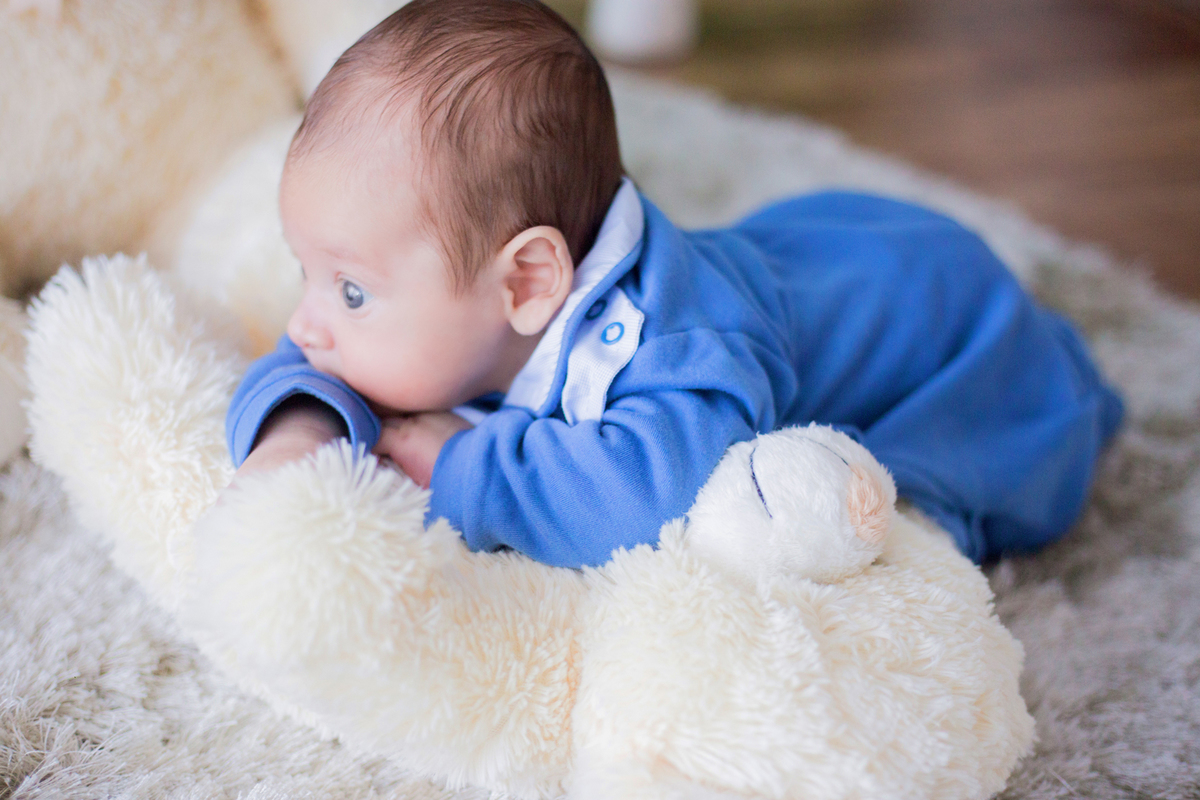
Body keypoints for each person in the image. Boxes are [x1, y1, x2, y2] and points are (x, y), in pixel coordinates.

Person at [226, 0, 1123, 568]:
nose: (309, 323)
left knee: (886, 531)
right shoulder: (409, 312)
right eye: (312, 271)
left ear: (529, 280)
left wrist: (461, 464)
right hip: (814, 256)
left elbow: (647, 502)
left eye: (348, 291)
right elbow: (321, 362)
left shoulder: (677, 346)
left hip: (942, 330)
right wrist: (298, 428)